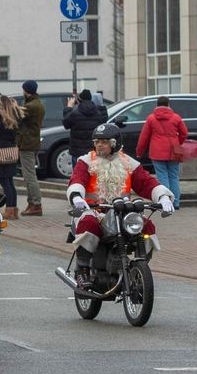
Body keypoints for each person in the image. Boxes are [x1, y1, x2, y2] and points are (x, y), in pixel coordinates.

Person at [67, 123, 173, 268]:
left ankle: (140, 267)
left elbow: (146, 182)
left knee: (146, 226)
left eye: (104, 142)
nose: (99, 145)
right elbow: (77, 180)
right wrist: (77, 197)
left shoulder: (128, 163)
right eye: (97, 142)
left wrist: (163, 197)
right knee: (88, 223)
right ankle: (83, 271)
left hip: (122, 212)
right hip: (93, 210)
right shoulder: (85, 162)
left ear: (115, 144)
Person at [136, 96, 188, 209]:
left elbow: (144, 137)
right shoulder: (176, 117)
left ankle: (166, 202)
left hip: (157, 151)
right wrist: (177, 142)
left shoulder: (151, 118)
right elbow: (184, 133)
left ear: (157, 105)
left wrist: (139, 151)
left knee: (162, 176)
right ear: (169, 104)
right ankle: (176, 202)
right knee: (174, 176)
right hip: (174, 151)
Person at [0, 94, 25, 220]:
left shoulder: (2, 120)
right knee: (10, 182)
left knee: (4, 182)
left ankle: (9, 211)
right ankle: (13, 209)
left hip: (1, 153)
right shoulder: (12, 117)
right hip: (10, 151)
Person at [17, 80, 45, 216]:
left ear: (26, 90)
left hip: (28, 143)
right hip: (31, 142)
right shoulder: (36, 103)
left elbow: (17, 116)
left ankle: (36, 203)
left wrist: (10, 106)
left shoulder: (31, 106)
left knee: (29, 176)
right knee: (28, 175)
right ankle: (32, 203)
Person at [62, 88, 108, 161]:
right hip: (93, 151)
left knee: (78, 171)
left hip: (77, 152)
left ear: (79, 100)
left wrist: (69, 107)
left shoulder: (75, 114)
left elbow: (66, 124)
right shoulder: (98, 114)